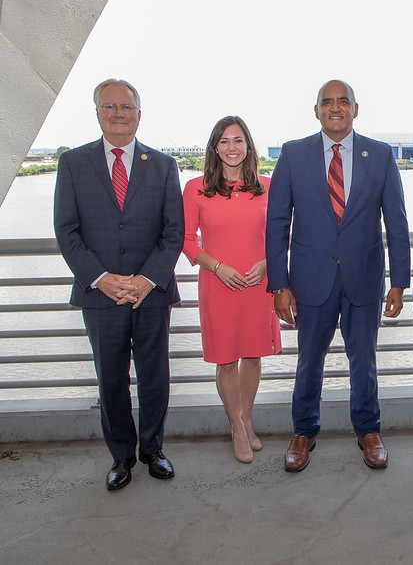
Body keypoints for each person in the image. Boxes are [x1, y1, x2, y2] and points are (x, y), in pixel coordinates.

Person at [266, 79, 411, 472]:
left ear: (355, 109)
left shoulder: (379, 155)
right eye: (327, 102)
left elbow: (396, 223)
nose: (335, 107)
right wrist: (279, 285)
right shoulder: (294, 154)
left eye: (342, 101)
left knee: (363, 360)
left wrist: (399, 282)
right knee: (308, 360)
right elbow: (277, 223)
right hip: (310, 280)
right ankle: (303, 432)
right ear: (316, 111)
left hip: (364, 279)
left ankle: (368, 430)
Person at [54, 78, 183, 490]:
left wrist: (146, 280)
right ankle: (122, 456)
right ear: (97, 114)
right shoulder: (73, 164)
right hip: (99, 295)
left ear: (139, 115)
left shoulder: (163, 166)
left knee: (154, 376)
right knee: (110, 379)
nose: (118, 113)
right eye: (109, 107)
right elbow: (66, 231)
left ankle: (153, 450)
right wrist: (101, 278)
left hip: (151, 294)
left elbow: (173, 232)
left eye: (126, 107)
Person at [182, 116, 282, 464]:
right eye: (224, 141)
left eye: (238, 140)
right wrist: (218, 267)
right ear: (214, 148)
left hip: (258, 284)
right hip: (219, 283)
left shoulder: (268, 186)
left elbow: (281, 236)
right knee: (226, 360)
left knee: (253, 355)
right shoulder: (196, 187)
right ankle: (237, 428)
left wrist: (268, 264)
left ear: (248, 146)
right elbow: (186, 241)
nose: (232, 147)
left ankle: (245, 419)